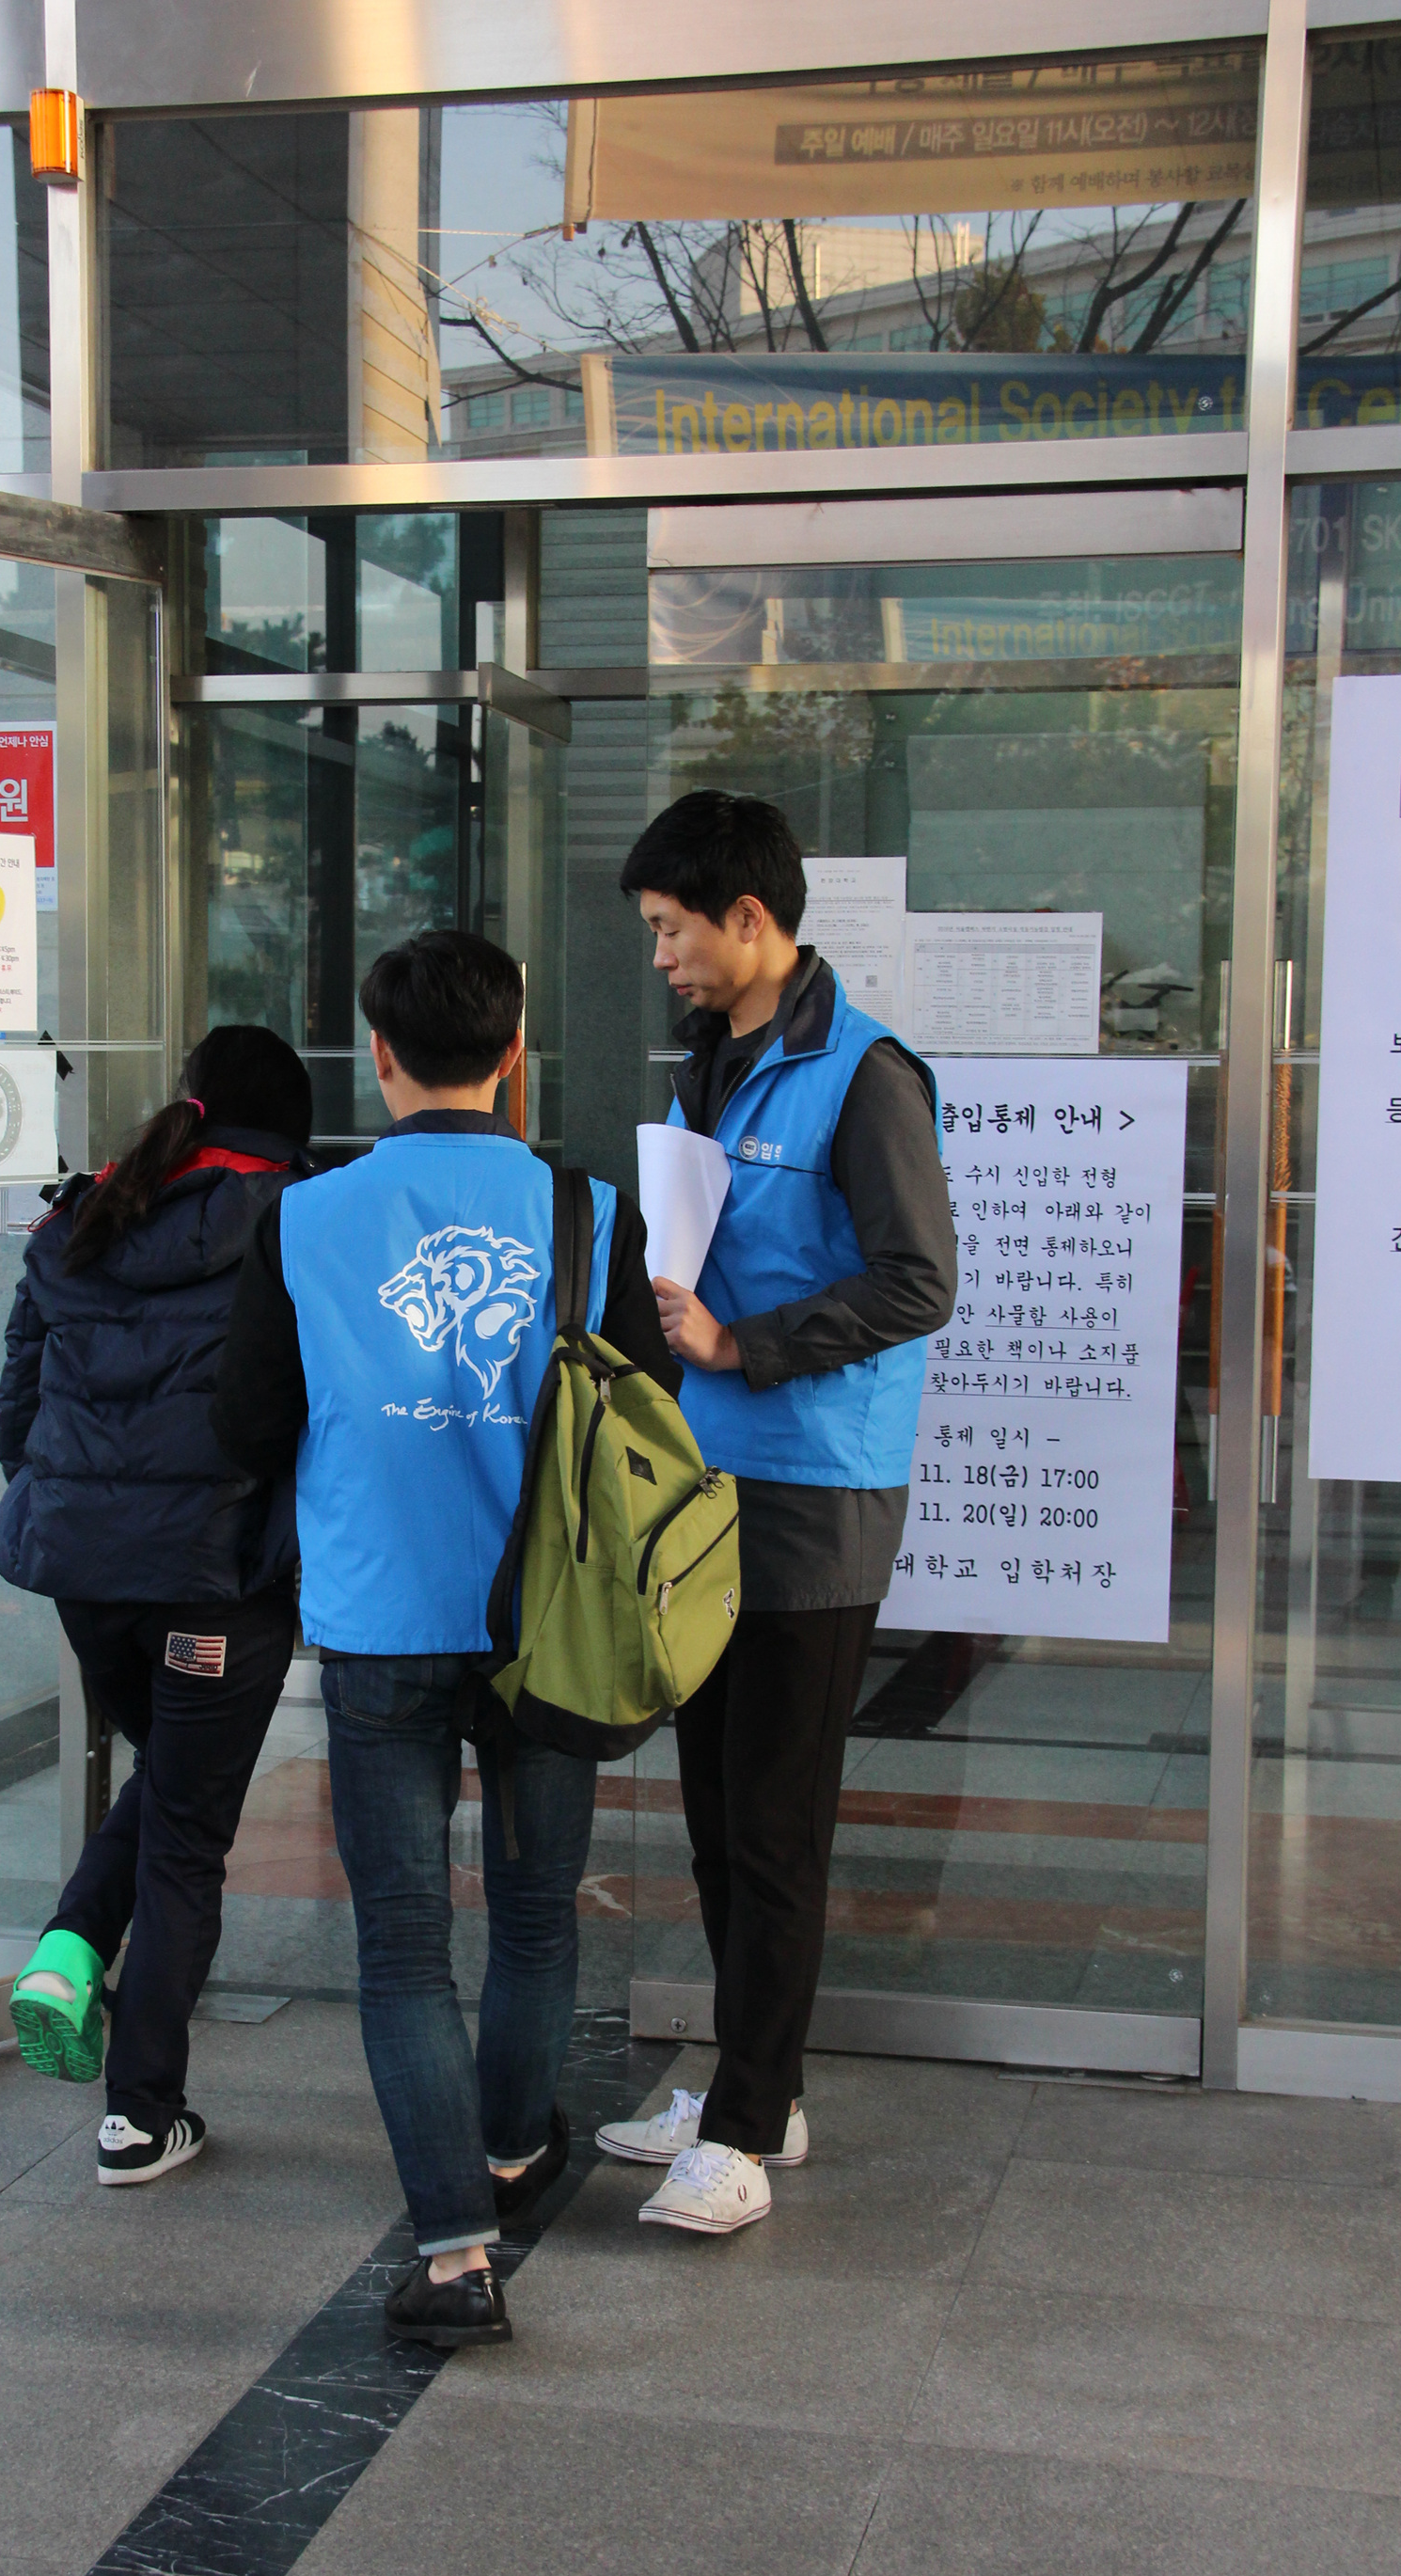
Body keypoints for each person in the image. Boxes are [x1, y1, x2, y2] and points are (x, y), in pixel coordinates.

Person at [211, 929, 678, 2348]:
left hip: (378, 1625)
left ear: (382, 1057)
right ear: (515, 1054)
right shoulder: (587, 1211)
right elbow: (648, 1410)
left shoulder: (302, 1218)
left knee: (405, 1948)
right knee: (535, 1914)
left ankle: (456, 2254)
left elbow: (243, 1424)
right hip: (553, 1628)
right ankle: (518, 2151)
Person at [596, 791, 957, 2236]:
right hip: (707, 1482)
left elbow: (917, 1280)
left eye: (674, 930)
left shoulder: (866, 1075)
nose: (664, 958)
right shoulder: (714, 1059)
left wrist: (747, 1346)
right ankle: (762, 2083)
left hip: (814, 1491)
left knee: (777, 1824)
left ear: (750, 920)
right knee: (714, 1806)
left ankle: (747, 2128)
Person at [0, 1025, 314, 2185]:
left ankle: (67, 1949)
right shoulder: (295, 1218)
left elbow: (17, 1415)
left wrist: (88, 1507)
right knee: (184, 1831)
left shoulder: (90, 1213)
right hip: (218, 1575)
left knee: (170, 1780)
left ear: (190, 1101)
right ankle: (138, 2114)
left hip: (87, 1573)